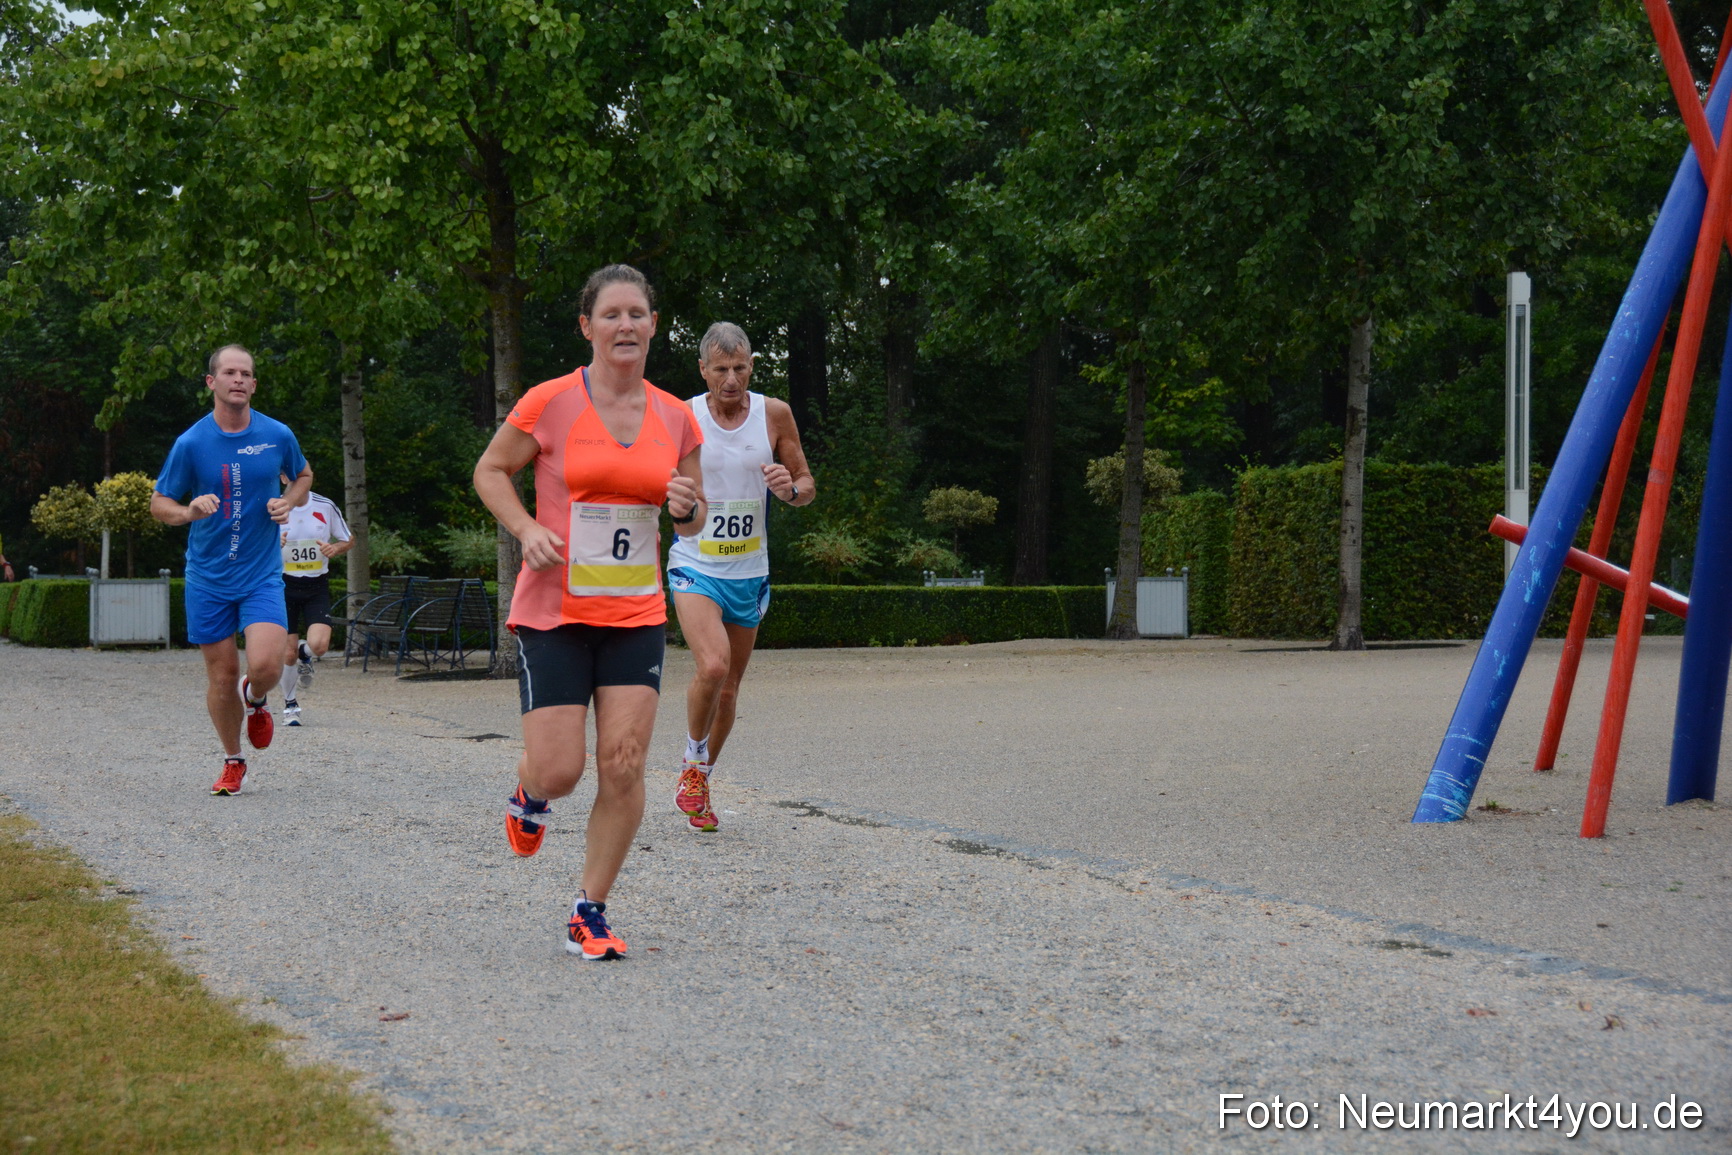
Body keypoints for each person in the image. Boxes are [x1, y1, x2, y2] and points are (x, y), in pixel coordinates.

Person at [472, 264, 704, 961]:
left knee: (625, 763)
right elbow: (490, 471)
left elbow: (688, 517)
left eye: (638, 313)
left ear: (654, 325)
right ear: (587, 326)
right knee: (561, 769)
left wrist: (689, 511)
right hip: (555, 611)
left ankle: (589, 909)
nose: (626, 325)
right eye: (612, 314)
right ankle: (530, 792)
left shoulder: (676, 416)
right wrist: (525, 529)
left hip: (634, 612)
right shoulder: (550, 401)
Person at [666, 322, 814, 832]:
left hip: (750, 570)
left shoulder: (774, 414)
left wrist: (789, 489)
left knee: (729, 690)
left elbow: (806, 483)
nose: (732, 379)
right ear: (703, 369)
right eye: (721, 369)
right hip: (695, 562)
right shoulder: (682, 416)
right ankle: (690, 761)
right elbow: (657, 481)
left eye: (741, 368)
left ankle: (702, 779)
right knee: (712, 666)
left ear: (752, 365)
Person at [151, 345, 312, 795]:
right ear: (212, 382)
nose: (238, 379)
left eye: (246, 373)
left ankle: (256, 697)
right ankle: (232, 759)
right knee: (220, 676)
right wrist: (188, 511)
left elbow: (302, 475)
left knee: (265, 665)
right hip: (207, 578)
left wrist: (289, 501)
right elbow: (158, 503)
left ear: (253, 384)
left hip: (260, 573)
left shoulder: (277, 434)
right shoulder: (191, 443)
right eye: (229, 372)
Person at [276, 480, 352, 725]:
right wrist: (273, 546)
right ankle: (290, 705)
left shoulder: (324, 505)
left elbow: (349, 539)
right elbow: (250, 545)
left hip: (316, 584)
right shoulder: (275, 507)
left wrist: (335, 549)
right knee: (286, 654)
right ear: (284, 478)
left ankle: (304, 653)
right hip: (283, 584)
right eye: (294, 474)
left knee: (319, 645)